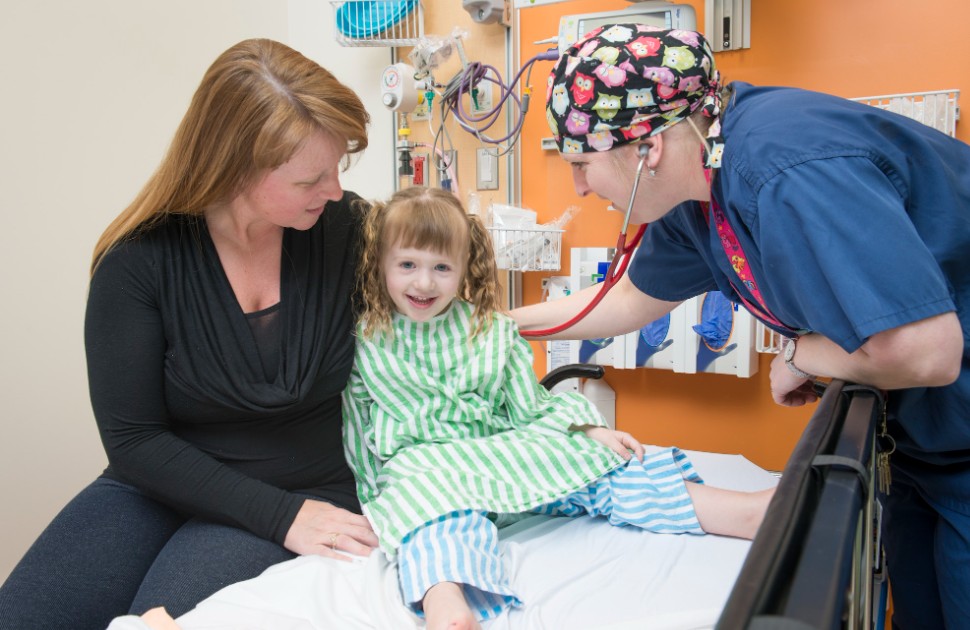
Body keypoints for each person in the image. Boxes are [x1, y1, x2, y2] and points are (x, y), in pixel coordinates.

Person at [511, 23, 969, 630]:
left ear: (646, 148)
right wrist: (491, 326)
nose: (577, 186)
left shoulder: (784, 166)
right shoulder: (696, 192)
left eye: (582, 164)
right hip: (923, 444)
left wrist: (803, 357)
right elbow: (623, 301)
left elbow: (926, 350)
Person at [0, 38, 380, 629]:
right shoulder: (138, 260)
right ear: (237, 168)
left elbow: (444, 329)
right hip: (155, 484)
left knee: (160, 620)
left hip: (303, 489)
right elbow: (134, 440)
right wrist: (278, 517)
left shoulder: (349, 233)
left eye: (338, 169)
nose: (333, 190)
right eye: (311, 179)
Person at [342, 185, 774, 630]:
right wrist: (377, 502)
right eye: (408, 265)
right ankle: (446, 602)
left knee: (601, 467)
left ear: (463, 267)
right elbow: (358, 429)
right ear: (381, 265)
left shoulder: (489, 331)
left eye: (441, 267)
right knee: (430, 517)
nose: (424, 282)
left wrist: (589, 430)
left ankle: (740, 511)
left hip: (495, 455)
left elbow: (532, 407)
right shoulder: (365, 341)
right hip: (425, 468)